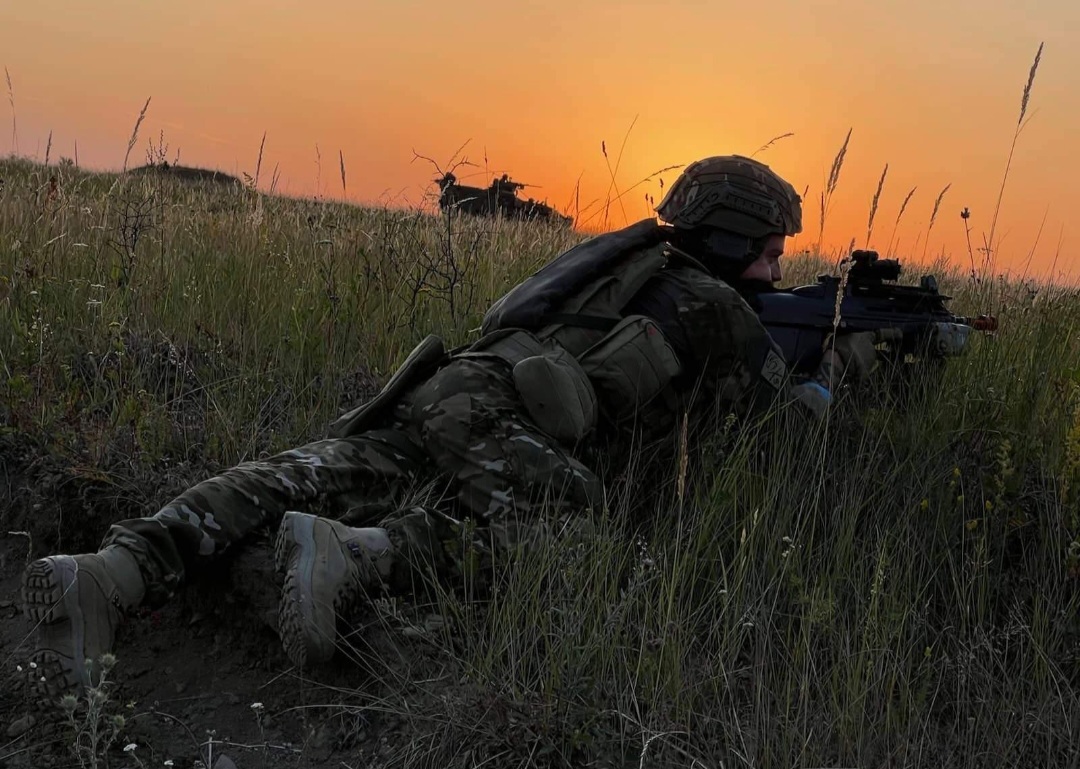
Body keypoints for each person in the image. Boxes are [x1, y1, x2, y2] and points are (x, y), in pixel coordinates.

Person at [21, 155, 882, 702]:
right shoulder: (715, 303)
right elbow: (791, 426)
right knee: (577, 536)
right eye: (770, 250)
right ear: (728, 239)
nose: (777, 267)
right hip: (504, 414)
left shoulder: (623, 261)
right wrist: (845, 365)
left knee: (306, 470)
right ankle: (359, 553)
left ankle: (109, 571)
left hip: (451, 387)